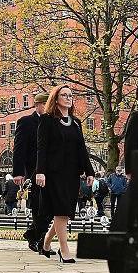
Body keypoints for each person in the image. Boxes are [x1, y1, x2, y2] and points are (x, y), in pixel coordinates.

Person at [35, 84, 95, 263]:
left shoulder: (76, 122)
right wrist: (40, 172)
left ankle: (46, 241)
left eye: (70, 95)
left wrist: (89, 170)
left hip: (72, 173)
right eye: (64, 95)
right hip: (53, 173)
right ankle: (64, 249)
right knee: (60, 210)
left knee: (66, 212)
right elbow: (42, 148)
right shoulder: (47, 120)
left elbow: (81, 148)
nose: (68, 98)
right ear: (56, 98)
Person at [13, 92, 48, 252]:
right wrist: (18, 172)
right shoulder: (26, 122)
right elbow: (19, 149)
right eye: (45, 104)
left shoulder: (53, 122)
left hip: (52, 170)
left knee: (50, 207)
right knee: (39, 205)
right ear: (37, 105)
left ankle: (34, 235)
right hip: (34, 170)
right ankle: (37, 238)